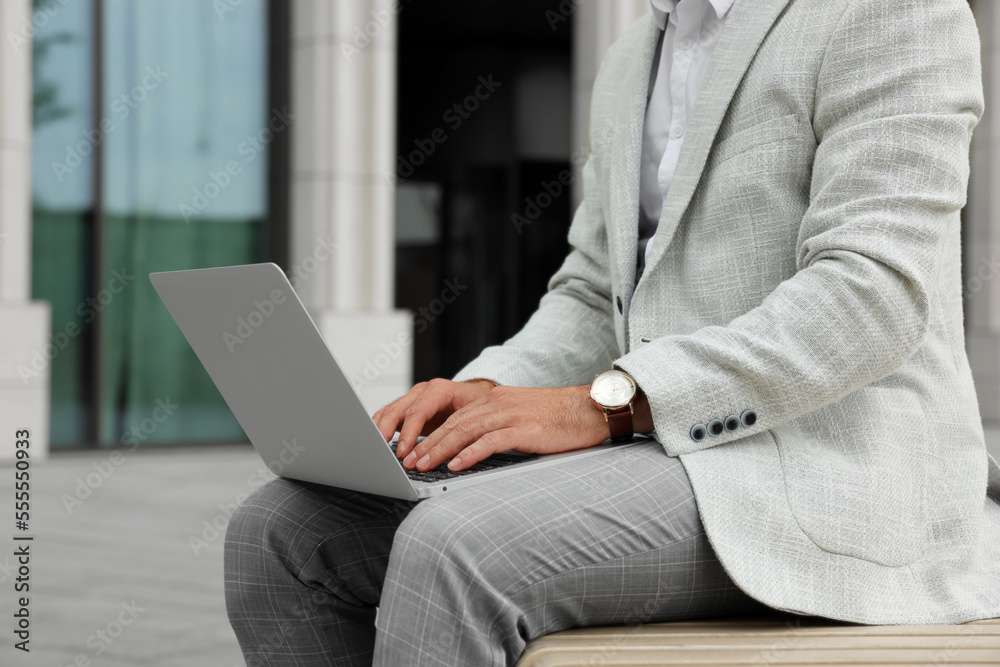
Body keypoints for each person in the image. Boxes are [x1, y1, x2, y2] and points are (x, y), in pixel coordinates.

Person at [224, 0, 1000, 664]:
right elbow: (595, 291)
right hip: (666, 454)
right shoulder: (636, 53)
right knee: (284, 530)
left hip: (831, 473)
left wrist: (606, 403)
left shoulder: (893, 10)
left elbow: (868, 298)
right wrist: (485, 388)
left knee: (460, 546)